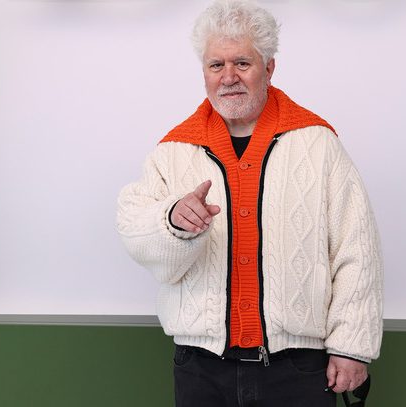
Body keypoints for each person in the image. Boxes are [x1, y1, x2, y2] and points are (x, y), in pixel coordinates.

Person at [116, 1, 383, 406]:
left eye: (242, 63)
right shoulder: (173, 150)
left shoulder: (318, 143)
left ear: (269, 67)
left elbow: (356, 249)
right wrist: (171, 221)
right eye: (216, 65)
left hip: (298, 368)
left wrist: (352, 346)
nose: (228, 77)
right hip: (200, 367)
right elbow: (136, 234)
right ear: (204, 72)